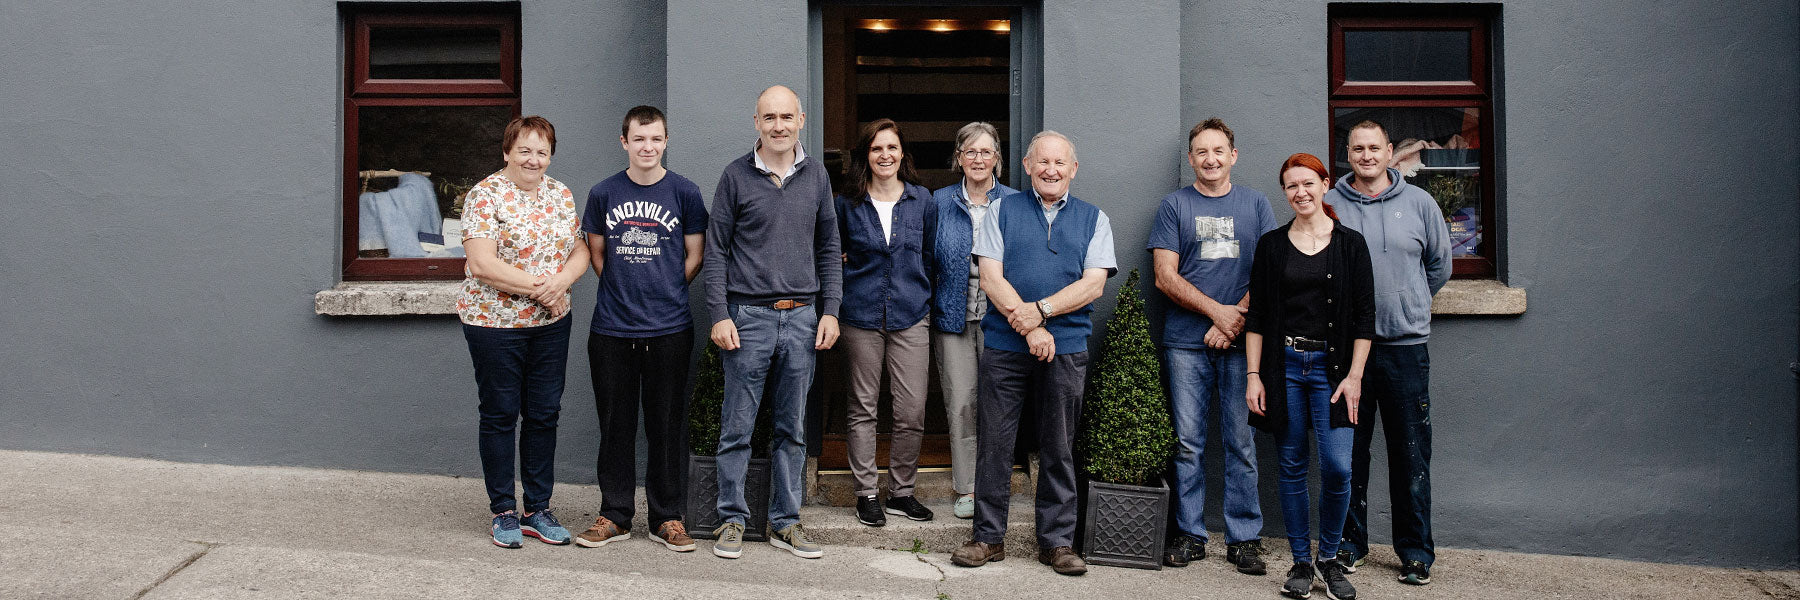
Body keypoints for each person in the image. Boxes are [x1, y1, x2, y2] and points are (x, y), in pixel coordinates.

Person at [950, 131, 1116, 576]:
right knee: (995, 443)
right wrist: (1028, 328)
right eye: (1043, 162)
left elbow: (1093, 284)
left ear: (1073, 169)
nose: (1051, 170)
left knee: (1059, 445)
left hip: (1067, 348)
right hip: (1006, 347)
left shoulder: (1094, 219)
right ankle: (987, 538)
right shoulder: (1002, 210)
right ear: (1026, 165)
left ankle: (1057, 542)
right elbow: (990, 276)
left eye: (1060, 163)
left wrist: (1039, 314)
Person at [702, 85, 841, 560]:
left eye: (787, 116)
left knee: (793, 429)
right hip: (748, 319)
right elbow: (716, 250)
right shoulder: (735, 176)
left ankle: (786, 522)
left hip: (802, 318)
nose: (778, 125)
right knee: (737, 427)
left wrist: (831, 311)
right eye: (769, 117)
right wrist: (719, 314)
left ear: (801, 119)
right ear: (756, 122)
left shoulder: (817, 177)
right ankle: (732, 520)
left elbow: (829, 249)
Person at [574, 106, 708, 553]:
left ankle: (667, 518)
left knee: (667, 426)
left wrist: (665, 292)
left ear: (666, 141)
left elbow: (694, 256)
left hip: (669, 328)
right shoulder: (603, 193)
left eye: (655, 139)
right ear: (624, 142)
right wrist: (624, 291)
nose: (647, 147)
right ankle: (614, 514)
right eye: (639, 139)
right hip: (612, 329)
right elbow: (596, 256)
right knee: (615, 424)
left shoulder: (685, 193)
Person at [1146, 118, 1277, 572]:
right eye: (1202, 152)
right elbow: (1165, 276)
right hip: (1185, 343)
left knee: (1241, 442)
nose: (1211, 159)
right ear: (1190, 159)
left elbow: (1270, 272)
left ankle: (1244, 538)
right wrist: (1216, 313)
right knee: (1187, 443)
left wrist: (1232, 321)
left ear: (1233, 155)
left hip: (1244, 347)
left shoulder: (1257, 204)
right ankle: (1190, 533)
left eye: (1219, 150)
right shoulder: (1173, 206)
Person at [1246, 153, 1375, 600]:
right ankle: (1302, 561)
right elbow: (1258, 317)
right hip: (1285, 367)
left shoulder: (1350, 244)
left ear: (1324, 185)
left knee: (1339, 467)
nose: (1299, 193)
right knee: (1292, 464)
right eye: (1290, 186)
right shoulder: (1272, 246)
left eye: (1307, 183)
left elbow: (1364, 318)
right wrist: (1254, 375)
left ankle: (1331, 558)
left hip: (1333, 372)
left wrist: (1355, 376)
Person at [457, 115, 589, 548]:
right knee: (499, 413)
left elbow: (580, 249)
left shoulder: (561, 194)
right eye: (525, 150)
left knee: (544, 412)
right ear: (507, 151)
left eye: (542, 151)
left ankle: (537, 509)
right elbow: (482, 263)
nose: (533, 159)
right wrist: (545, 289)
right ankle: (504, 511)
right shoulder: (485, 195)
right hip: (495, 323)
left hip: (551, 324)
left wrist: (562, 283)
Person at [1328, 120, 1451, 586]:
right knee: (1350, 453)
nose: (1366, 155)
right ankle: (1349, 545)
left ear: (1389, 152)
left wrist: (1409, 301)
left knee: (1411, 453)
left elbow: (1439, 266)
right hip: (1346, 354)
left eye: (1374, 147)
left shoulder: (1419, 204)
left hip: (1404, 349)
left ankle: (1416, 552)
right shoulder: (1331, 204)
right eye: (1357, 148)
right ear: (1348, 154)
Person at [835, 118, 938, 527]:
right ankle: (866, 494)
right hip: (860, 315)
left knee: (911, 410)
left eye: (892, 147)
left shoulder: (922, 200)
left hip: (911, 315)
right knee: (863, 408)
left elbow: (929, 255)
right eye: (877, 148)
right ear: (866, 155)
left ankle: (901, 492)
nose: (885, 155)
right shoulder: (847, 203)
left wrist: (923, 296)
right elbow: (831, 254)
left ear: (902, 154)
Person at [930, 121, 1017, 520]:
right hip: (953, 317)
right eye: (971, 152)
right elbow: (922, 259)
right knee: (961, 402)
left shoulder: (1017, 203)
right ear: (959, 158)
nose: (978, 159)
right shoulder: (939, 201)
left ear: (997, 159)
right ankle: (967, 489)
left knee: (999, 405)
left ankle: (994, 488)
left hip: (1003, 318)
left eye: (986, 152)